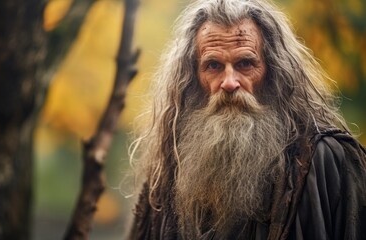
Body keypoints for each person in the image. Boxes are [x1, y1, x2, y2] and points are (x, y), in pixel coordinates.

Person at [127, 0, 366, 239]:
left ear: (274, 72)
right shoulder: (169, 171)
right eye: (213, 65)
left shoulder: (325, 159)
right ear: (192, 79)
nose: (229, 82)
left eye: (245, 63)